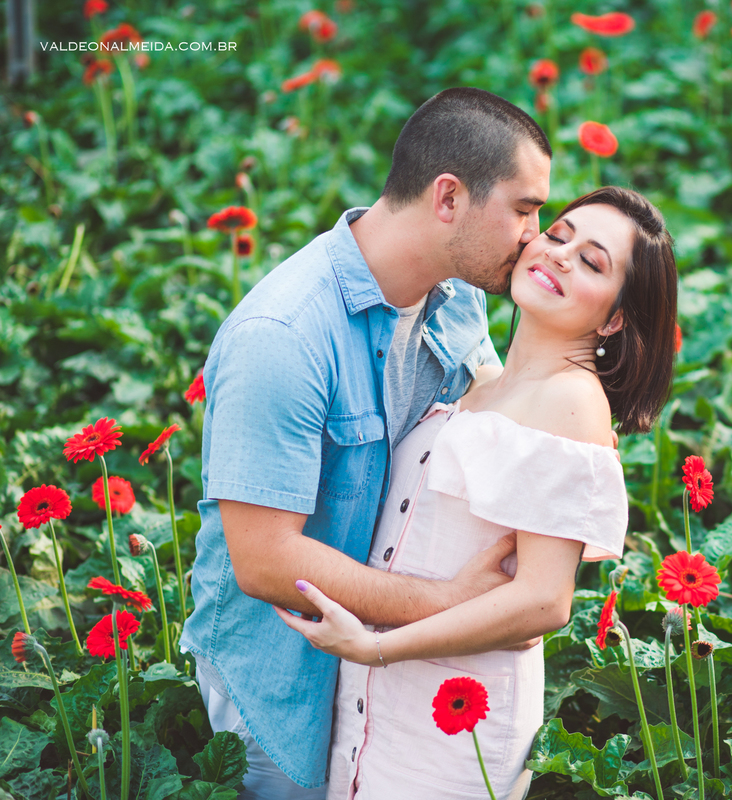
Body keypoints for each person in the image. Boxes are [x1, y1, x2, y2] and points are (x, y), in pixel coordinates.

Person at [179, 88, 556, 798]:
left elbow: (496, 433)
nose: (534, 236)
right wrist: (450, 605)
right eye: (525, 210)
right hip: (284, 679)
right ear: (449, 197)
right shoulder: (283, 337)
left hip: (396, 663)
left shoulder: (459, 297)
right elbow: (264, 561)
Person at [274, 186, 678, 800]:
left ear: (616, 317)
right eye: (559, 234)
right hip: (380, 691)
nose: (562, 255)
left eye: (594, 262)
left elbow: (544, 602)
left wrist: (377, 647)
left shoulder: (571, 403)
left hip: (458, 705)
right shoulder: (476, 379)